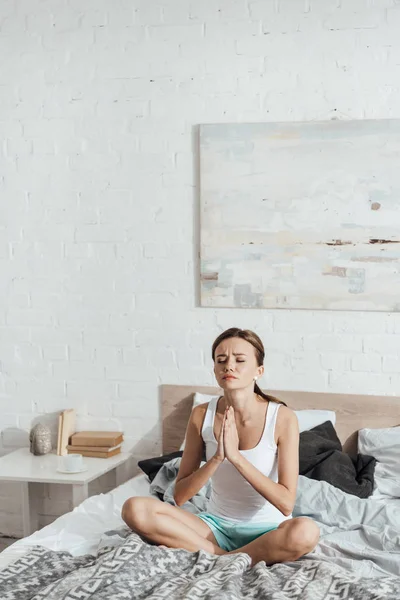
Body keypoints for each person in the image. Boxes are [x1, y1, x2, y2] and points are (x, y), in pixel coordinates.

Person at [122, 327, 320, 565]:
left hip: (268, 531)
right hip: (214, 528)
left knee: (306, 532)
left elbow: (286, 502)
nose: (229, 366)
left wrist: (236, 458)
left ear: (259, 370)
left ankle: (223, 556)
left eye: (240, 360)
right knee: (135, 508)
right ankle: (225, 557)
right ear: (215, 369)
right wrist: (217, 458)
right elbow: (181, 495)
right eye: (221, 360)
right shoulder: (201, 414)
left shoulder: (283, 418)